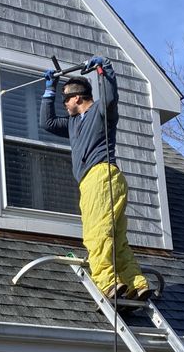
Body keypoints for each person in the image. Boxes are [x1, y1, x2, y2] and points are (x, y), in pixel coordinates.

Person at [40, 56, 150, 300]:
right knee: (117, 240)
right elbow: (46, 123)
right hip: (108, 180)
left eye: (65, 98)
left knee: (96, 234)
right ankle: (137, 283)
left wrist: (104, 71)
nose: (64, 104)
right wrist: (49, 90)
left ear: (77, 97)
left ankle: (108, 283)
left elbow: (110, 98)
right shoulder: (72, 123)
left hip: (99, 177)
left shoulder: (101, 112)